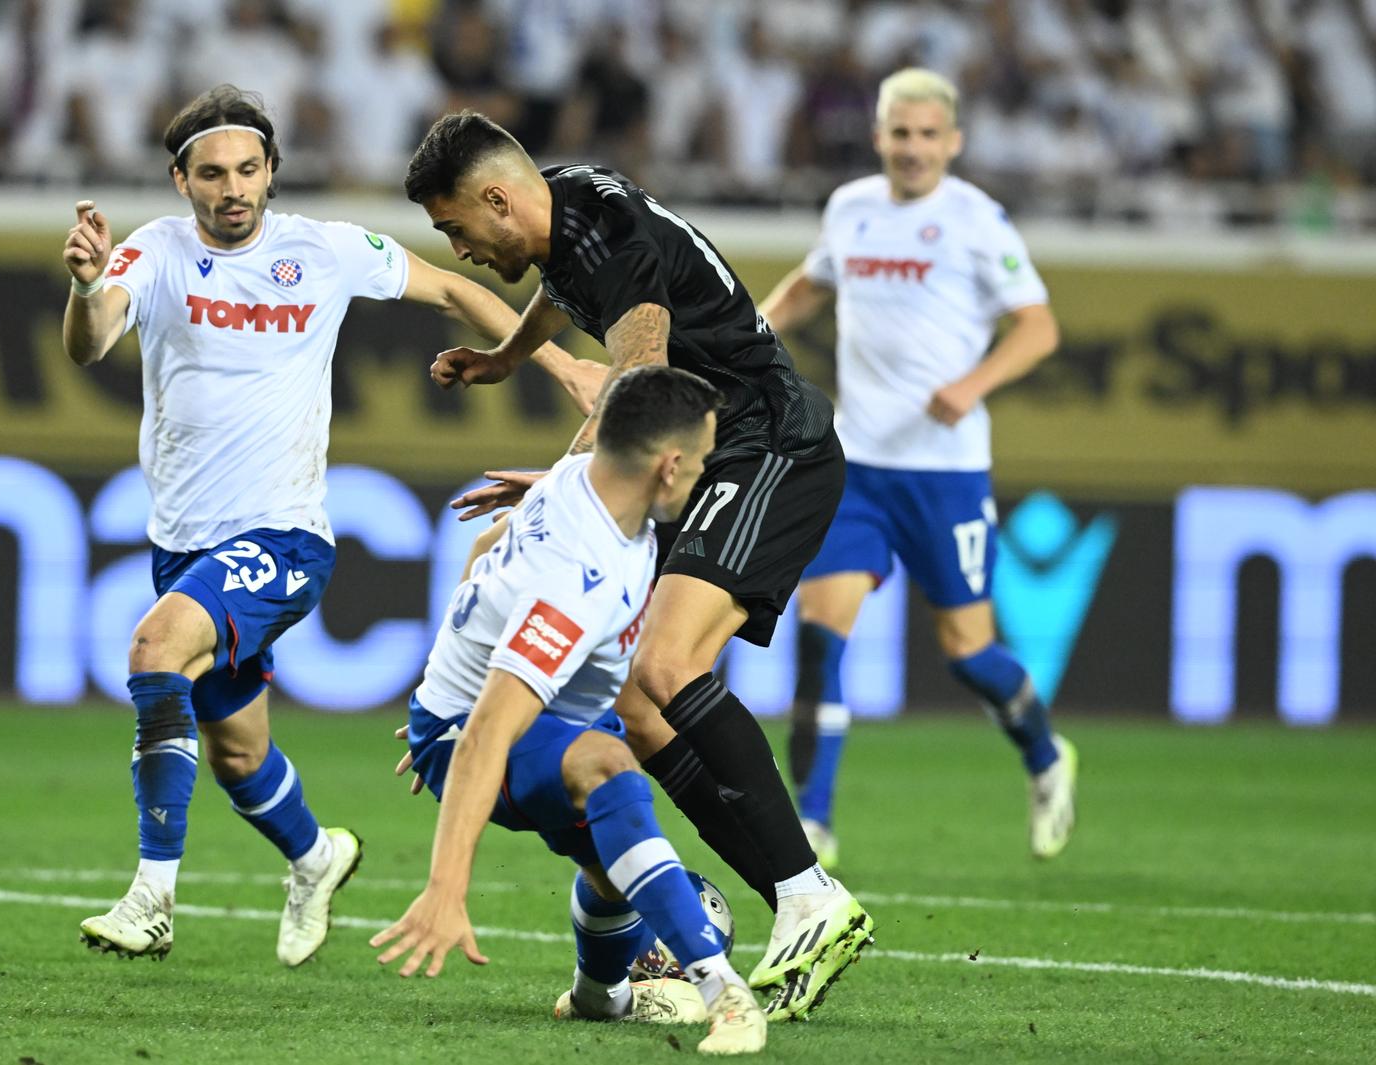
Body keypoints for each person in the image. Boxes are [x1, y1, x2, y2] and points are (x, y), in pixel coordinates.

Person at [60, 84, 603, 966]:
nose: (232, 188)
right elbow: (90, 342)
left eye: (247, 169)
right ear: (180, 180)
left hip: (284, 537)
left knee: (157, 647)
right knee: (239, 757)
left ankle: (152, 896)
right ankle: (316, 857)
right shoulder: (150, 252)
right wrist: (86, 287)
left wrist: (562, 367)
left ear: (272, 170)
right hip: (184, 541)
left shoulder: (325, 251)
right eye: (211, 174)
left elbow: (457, 289)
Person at [402, 111, 873, 1021]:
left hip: (765, 443)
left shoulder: (609, 240)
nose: (459, 250)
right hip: (698, 458)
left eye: (457, 227)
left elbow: (641, 389)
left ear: (498, 198)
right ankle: (797, 901)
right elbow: (566, 291)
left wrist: (563, 484)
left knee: (664, 665)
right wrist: (507, 358)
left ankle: (811, 894)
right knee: (635, 707)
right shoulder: (566, 200)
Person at [372, 365, 765, 1056]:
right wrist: (445, 889)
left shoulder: (580, 480)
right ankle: (723, 991)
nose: (703, 476)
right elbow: (492, 727)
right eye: (701, 462)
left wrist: (445, 684)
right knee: (611, 768)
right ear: (669, 467)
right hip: (486, 731)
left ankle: (599, 993)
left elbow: (482, 550)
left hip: (521, 715)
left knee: (613, 857)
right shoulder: (580, 576)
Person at [758, 68, 1076, 866]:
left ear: (954, 142)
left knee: (969, 652)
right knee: (820, 636)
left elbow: (1038, 329)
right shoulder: (851, 208)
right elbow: (810, 283)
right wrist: (747, 333)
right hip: (857, 464)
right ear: (879, 137)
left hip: (946, 471)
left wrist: (972, 385)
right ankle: (816, 822)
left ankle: (1045, 756)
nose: (913, 149)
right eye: (901, 134)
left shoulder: (977, 221)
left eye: (929, 135)